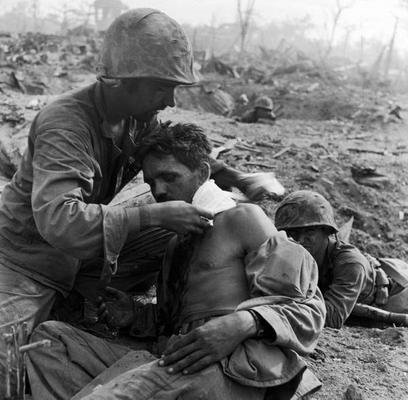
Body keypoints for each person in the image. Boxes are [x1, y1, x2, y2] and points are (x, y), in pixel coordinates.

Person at [0, 8, 282, 397]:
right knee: (8, 370)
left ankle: (129, 310)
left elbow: (177, 156)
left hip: (82, 253)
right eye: (162, 88)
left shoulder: (136, 118)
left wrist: (238, 179)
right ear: (124, 83)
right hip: (27, 260)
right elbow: (61, 223)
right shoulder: (65, 125)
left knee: (193, 224)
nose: (170, 100)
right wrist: (150, 215)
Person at [27, 123, 325, 400]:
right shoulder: (175, 242)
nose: (159, 191)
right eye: (151, 182)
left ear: (202, 172)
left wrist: (242, 323)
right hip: (175, 361)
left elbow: (306, 305)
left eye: (169, 177)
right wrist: (134, 315)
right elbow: (174, 322)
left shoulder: (242, 219)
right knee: (51, 341)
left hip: (229, 368)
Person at [274, 190, 408, 329]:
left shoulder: (349, 264)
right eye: (293, 232)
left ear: (327, 231)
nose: (300, 240)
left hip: (396, 296)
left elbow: (333, 317)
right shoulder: (289, 251)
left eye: (310, 231)